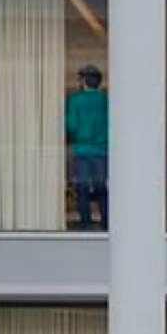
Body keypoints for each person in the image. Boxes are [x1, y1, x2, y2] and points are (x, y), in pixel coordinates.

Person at [64, 64, 110, 229]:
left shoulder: (75, 100)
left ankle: (86, 223)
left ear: (83, 81)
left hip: (81, 149)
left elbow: (71, 126)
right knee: (101, 187)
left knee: (82, 187)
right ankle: (106, 222)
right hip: (102, 149)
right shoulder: (106, 100)